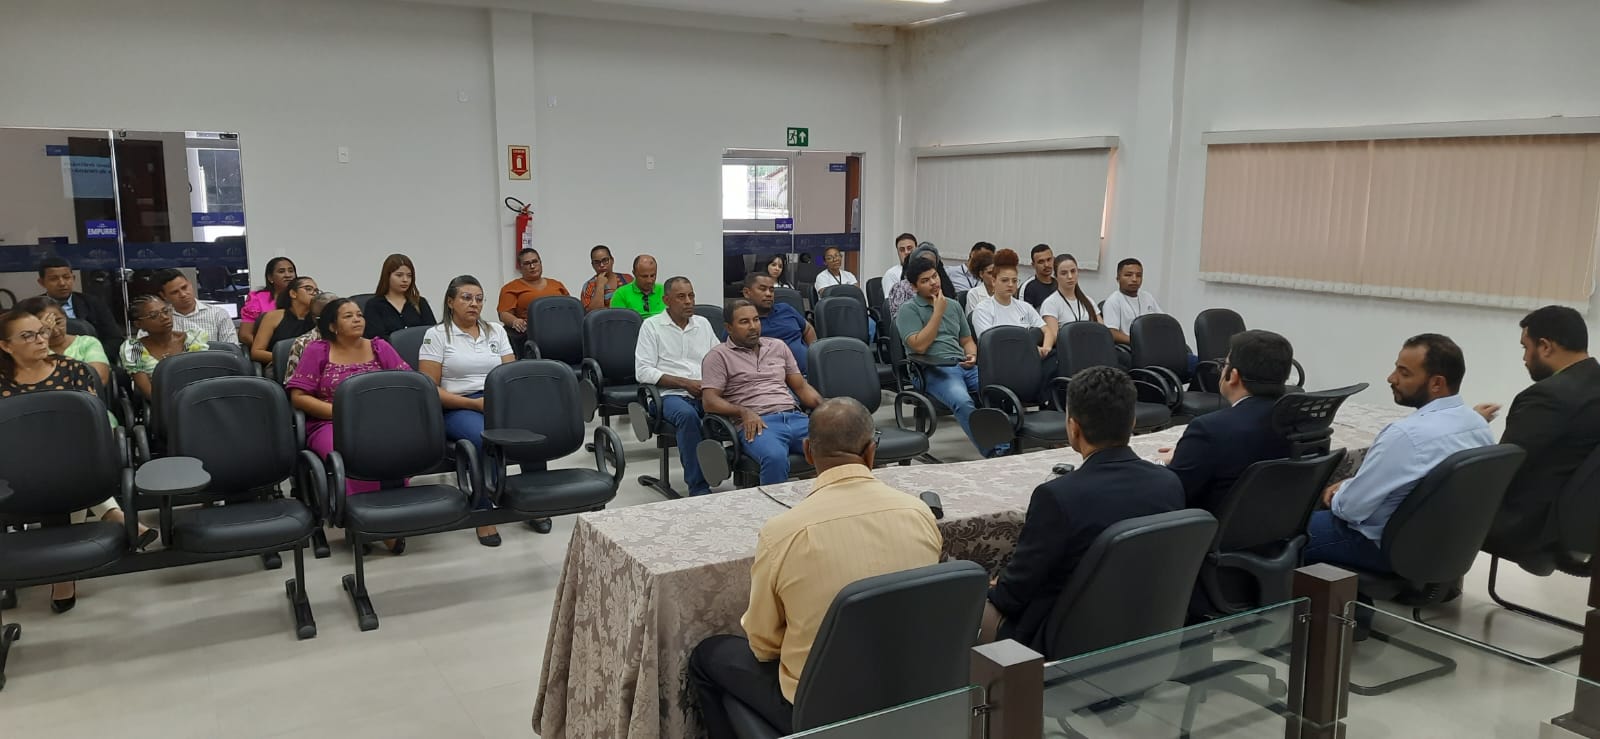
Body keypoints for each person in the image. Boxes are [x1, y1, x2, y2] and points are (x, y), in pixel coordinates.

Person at [688, 397, 942, 738]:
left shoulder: (783, 533)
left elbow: (763, 646)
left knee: (708, 656)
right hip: (913, 693)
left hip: (821, 709)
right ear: (871, 452)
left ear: (807, 452)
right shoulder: (920, 513)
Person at [982, 366, 1183, 648]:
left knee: (973, 611)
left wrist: (993, 587)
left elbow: (1014, 596)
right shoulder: (1169, 483)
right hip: (1148, 628)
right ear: (1133, 420)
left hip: (1063, 639)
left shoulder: (1056, 497)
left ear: (1073, 428)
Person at [0, 309, 158, 613]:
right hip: (16, 464)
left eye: (41, 332)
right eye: (28, 335)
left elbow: (88, 422)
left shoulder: (73, 369)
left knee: (63, 465)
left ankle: (64, 575)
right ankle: (113, 516)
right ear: (6, 346)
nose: (40, 339)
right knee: (50, 466)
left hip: (71, 454)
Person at [1305, 334, 1495, 574]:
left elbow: (1350, 509)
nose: (1391, 378)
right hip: (1440, 545)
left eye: (1404, 373)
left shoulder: (1406, 436)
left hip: (1380, 545)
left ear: (1436, 383)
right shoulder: (1477, 424)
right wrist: (1353, 484)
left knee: (1281, 530)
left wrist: (1339, 493)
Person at [418, 276, 550, 542]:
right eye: (466, 298)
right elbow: (429, 388)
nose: (473, 304)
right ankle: (482, 509)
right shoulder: (436, 334)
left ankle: (533, 502)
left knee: (531, 431)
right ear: (450, 302)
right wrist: (473, 404)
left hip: (497, 400)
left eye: (479, 299)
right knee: (482, 437)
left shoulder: (495, 331)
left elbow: (510, 374)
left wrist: (501, 401)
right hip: (458, 405)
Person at [1477, 306, 1600, 564]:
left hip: (1526, 524)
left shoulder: (1548, 396)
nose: (1524, 358)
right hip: (1579, 520)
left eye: (1525, 347)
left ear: (1545, 346)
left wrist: (1471, 425)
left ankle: (1421, 583)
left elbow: (1502, 468)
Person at [286, 298, 412, 503]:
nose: (357, 320)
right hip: (330, 422)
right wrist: (342, 413)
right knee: (354, 453)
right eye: (348, 316)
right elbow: (299, 398)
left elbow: (407, 384)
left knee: (393, 446)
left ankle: (395, 515)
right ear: (332, 326)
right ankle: (361, 512)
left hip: (379, 420)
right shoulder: (317, 350)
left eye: (359, 315)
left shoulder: (380, 347)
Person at [1157, 330, 1295, 513]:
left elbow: (1173, 495)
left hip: (1211, 534)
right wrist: (1188, 452)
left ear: (1233, 376)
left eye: (1224, 364)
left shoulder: (1209, 429)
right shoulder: (1298, 419)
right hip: (1280, 528)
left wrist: (1164, 464)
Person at [700, 300, 823, 484]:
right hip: (757, 424)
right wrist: (742, 411)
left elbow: (801, 387)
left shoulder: (778, 346)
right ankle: (773, 511)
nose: (753, 327)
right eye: (744, 322)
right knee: (775, 457)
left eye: (756, 320)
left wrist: (827, 407)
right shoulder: (718, 356)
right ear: (729, 328)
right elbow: (709, 401)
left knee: (836, 446)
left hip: (795, 417)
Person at [894, 255, 992, 455]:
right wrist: (937, 312)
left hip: (963, 364)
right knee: (962, 400)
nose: (933, 283)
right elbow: (919, 346)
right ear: (914, 287)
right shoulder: (908, 310)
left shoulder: (954, 306)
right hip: (932, 368)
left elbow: (966, 340)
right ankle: (994, 451)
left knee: (998, 390)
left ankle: (1008, 443)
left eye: (934, 276)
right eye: (925, 280)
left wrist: (972, 355)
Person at [635, 276, 718, 496]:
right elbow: (643, 371)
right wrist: (685, 383)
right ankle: (698, 486)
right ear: (666, 300)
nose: (689, 301)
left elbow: (718, 359)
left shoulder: (703, 324)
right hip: (668, 395)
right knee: (688, 416)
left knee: (738, 406)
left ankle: (740, 472)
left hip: (704, 390)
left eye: (691, 295)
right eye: (681, 297)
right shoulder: (651, 326)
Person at [120, 295, 209, 400]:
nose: (165, 317)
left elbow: (205, 379)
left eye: (166, 311)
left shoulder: (194, 340)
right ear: (139, 324)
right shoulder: (134, 348)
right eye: (154, 316)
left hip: (200, 400)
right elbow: (150, 394)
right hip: (162, 406)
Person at [35, 255, 124, 358]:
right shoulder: (32, 308)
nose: (62, 283)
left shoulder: (94, 303)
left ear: (73, 278)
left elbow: (115, 339)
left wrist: (92, 355)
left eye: (66, 277)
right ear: (41, 282)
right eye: (54, 279)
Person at [970, 249, 1051, 357]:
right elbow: (991, 343)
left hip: (1028, 359)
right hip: (999, 360)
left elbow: (1047, 330)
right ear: (994, 281)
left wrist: (1046, 348)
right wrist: (1031, 349)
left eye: (1014, 280)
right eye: (1004, 280)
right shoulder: (982, 309)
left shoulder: (1024, 307)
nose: (1010, 285)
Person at [19, 296, 111, 390]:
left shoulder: (87, 343)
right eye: (45, 327)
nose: (55, 331)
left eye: (58, 322)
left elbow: (99, 379)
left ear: (65, 317)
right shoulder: (28, 350)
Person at [742, 273, 816, 376]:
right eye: (762, 289)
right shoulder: (742, 321)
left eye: (771, 290)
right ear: (747, 293)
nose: (769, 294)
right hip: (773, 381)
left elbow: (807, 329)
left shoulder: (785, 309)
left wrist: (814, 355)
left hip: (811, 375)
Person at [497, 248, 569, 345]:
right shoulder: (511, 288)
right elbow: (504, 314)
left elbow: (570, 308)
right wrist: (515, 321)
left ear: (540, 263)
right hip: (530, 335)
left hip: (562, 331)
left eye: (535, 261)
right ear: (520, 267)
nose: (532, 266)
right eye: (527, 263)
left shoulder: (557, 284)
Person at [153, 268, 238, 344]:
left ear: (190, 284)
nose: (183, 294)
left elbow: (233, 351)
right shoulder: (159, 320)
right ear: (164, 296)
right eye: (175, 292)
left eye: (184, 287)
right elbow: (141, 355)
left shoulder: (218, 314)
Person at [249, 276, 319, 368]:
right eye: (308, 289)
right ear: (293, 293)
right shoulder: (273, 317)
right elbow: (256, 352)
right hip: (278, 367)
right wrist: (292, 359)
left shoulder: (318, 319)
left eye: (316, 291)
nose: (314, 293)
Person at [363, 253, 436, 340]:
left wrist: (426, 349)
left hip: (420, 352)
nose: (405, 280)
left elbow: (432, 335)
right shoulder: (374, 305)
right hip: (388, 352)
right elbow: (376, 339)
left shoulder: (419, 302)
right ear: (387, 276)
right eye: (399, 275)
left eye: (409, 276)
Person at [1100, 258, 1163, 345]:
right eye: (1128, 275)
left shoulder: (1147, 297)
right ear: (1118, 278)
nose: (1134, 279)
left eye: (1138, 275)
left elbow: (1162, 321)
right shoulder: (1113, 301)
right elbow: (1112, 332)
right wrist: (1139, 341)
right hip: (1131, 348)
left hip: (1152, 344)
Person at [886, 244, 956, 321]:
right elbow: (898, 323)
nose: (927, 266)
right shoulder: (900, 288)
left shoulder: (942, 286)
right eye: (922, 261)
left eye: (931, 263)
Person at [280, 292, 340, 381]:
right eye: (329, 316)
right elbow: (292, 384)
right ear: (315, 319)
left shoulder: (354, 339)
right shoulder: (303, 344)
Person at [239, 256, 297, 347]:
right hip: (267, 352)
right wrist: (270, 349)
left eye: (291, 271)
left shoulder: (301, 297)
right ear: (270, 277)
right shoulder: (257, 298)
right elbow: (244, 335)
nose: (288, 275)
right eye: (281, 271)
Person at [1039, 253, 1101, 333]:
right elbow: (1054, 337)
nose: (1070, 276)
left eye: (1073, 271)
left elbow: (1103, 332)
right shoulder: (1050, 304)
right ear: (1056, 276)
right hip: (1066, 345)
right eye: (1064, 273)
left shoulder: (1088, 301)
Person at [579, 245, 634, 313]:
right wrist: (600, 286)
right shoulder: (588, 286)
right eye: (597, 262)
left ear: (612, 260)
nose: (601, 265)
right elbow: (592, 315)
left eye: (605, 260)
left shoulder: (627, 279)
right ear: (592, 265)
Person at [881, 233, 919, 297]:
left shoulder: (925, 270)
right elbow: (892, 303)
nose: (906, 252)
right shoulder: (891, 274)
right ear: (898, 253)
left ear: (917, 249)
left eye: (909, 248)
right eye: (902, 250)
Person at [1020, 244, 1056, 310]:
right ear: (1033, 265)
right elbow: (1024, 315)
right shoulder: (1027, 287)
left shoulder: (1060, 284)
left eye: (1049, 260)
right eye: (1041, 262)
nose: (1046, 265)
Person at [963, 249, 997, 316]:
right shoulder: (974, 294)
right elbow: (972, 320)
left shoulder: (1004, 291)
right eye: (990, 273)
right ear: (981, 274)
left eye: (996, 272)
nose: (994, 276)